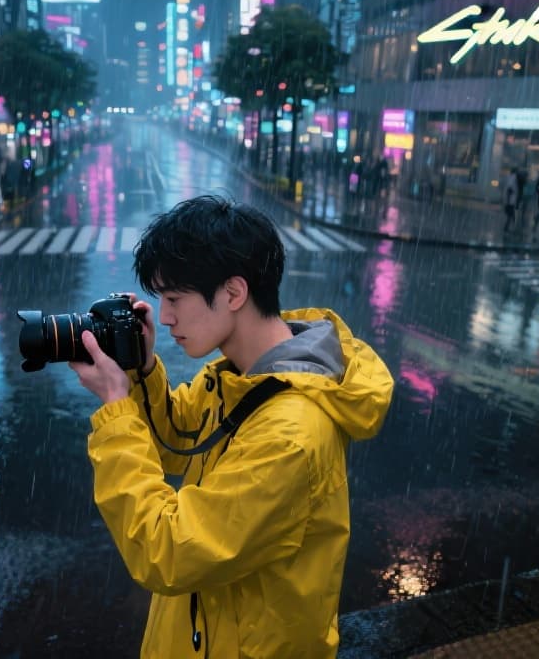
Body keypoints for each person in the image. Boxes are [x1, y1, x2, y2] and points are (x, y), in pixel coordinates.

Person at [68, 195, 394, 657]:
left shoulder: (289, 437)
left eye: (176, 298)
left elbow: (168, 551)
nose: (165, 317)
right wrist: (140, 371)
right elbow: (180, 439)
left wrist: (115, 406)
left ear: (234, 293)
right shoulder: (244, 377)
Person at [503, 167, 519, 232]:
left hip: (509, 198)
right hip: (511, 198)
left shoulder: (510, 176)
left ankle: (509, 226)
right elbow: (510, 187)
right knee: (511, 213)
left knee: (510, 213)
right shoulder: (514, 177)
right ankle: (509, 226)